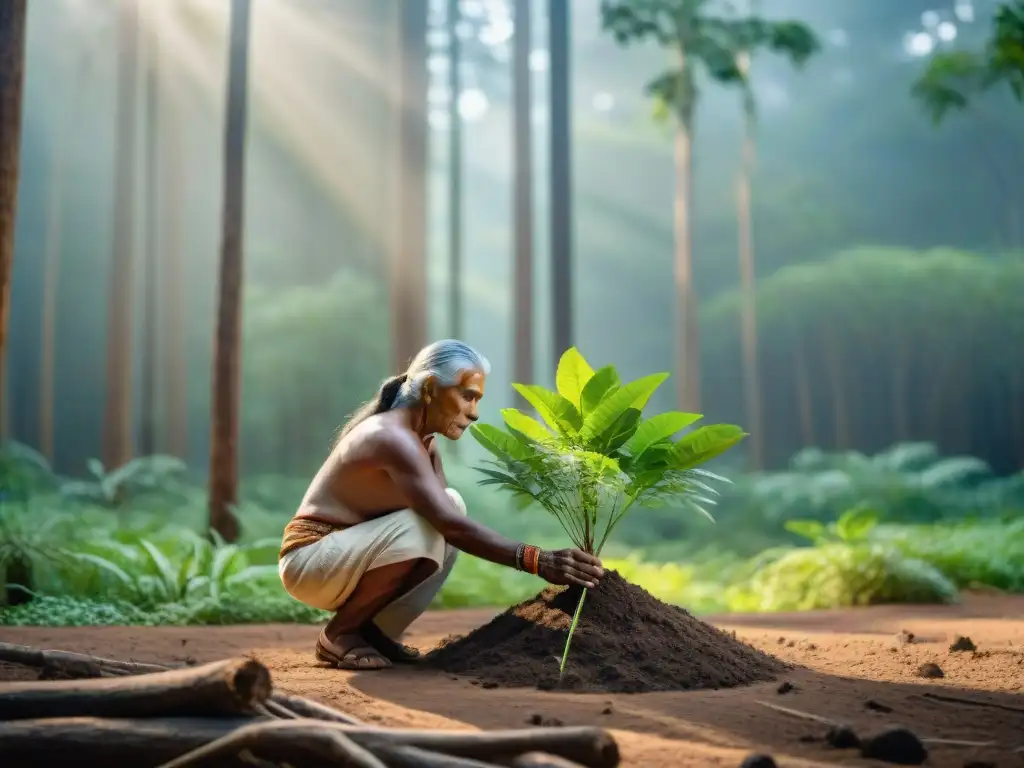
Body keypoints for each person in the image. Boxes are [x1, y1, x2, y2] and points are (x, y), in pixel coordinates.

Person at [278, 339, 605, 671]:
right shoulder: (391, 438)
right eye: (467, 396)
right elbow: (448, 525)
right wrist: (539, 560)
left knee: (449, 505)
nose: (474, 413)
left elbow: (448, 524)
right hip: (310, 560)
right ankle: (339, 634)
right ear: (431, 388)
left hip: (346, 559)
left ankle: (371, 632)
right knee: (430, 521)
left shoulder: (424, 444)